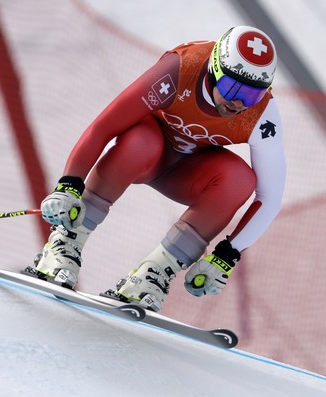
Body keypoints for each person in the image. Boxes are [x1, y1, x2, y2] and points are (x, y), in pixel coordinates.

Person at [29, 26, 285, 312]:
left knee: (240, 180)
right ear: (213, 69)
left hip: (188, 172)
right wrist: (68, 185)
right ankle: (64, 243)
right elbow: (104, 127)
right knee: (142, 142)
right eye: (231, 88)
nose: (238, 103)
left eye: (251, 95)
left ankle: (152, 276)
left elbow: (269, 196)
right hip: (145, 156)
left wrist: (227, 255)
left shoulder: (262, 115)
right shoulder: (181, 68)